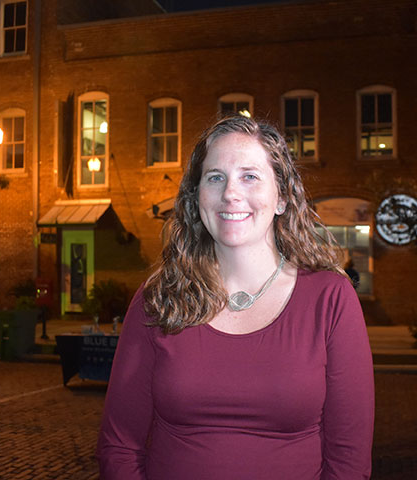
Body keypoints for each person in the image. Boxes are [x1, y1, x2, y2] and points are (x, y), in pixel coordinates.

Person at [96, 115, 375, 479]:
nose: (230, 193)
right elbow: (119, 447)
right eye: (215, 177)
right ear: (197, 196)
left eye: (250, 176)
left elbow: (349, 460)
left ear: (282, 197)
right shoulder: (159, 298)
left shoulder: (330, 299)